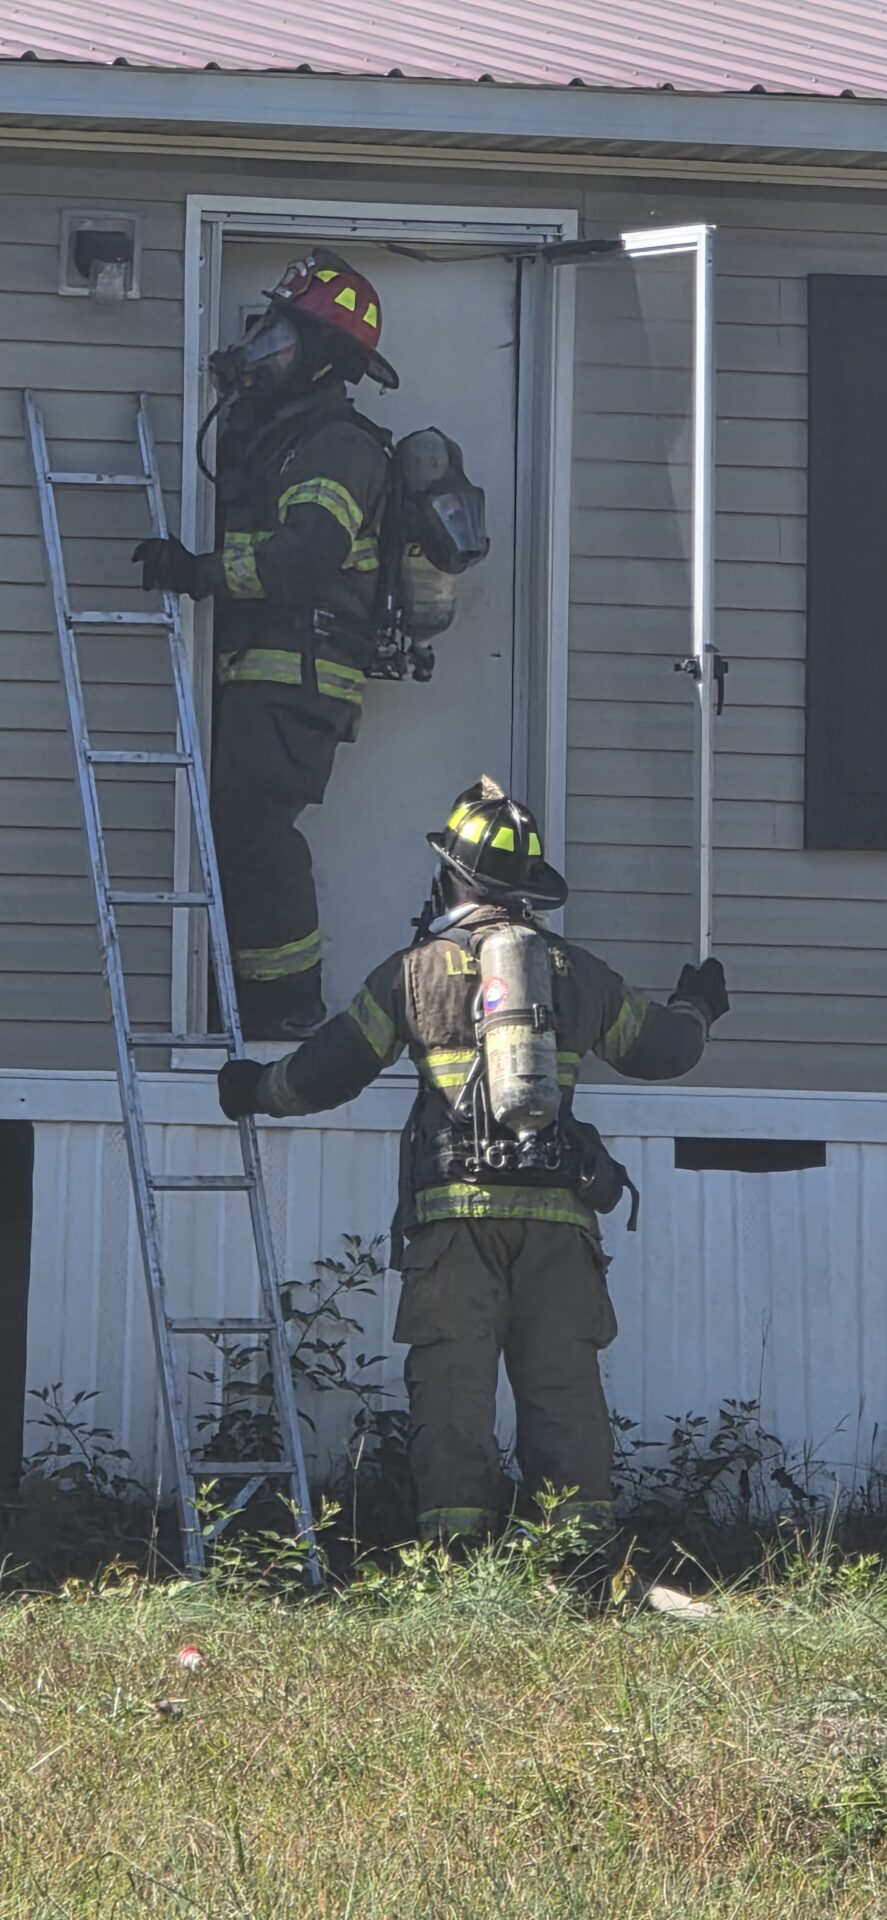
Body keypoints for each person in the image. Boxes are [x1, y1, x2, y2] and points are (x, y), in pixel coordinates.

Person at [217, 776, 729, 1548]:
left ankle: (455, 1561)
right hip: (559, 1221)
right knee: (563, 1393)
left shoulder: (414, 972)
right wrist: (698, 1004)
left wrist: (252, 1089)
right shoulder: (577, 973)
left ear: (452, 875)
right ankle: (576, 1561)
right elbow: (668, 1051)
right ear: (529, 888)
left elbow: (326, 1073)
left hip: (453, 1221)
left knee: (452, 1393)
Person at [133, 249, 399, 1040]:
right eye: (265, 329)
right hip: (264, 669)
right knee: (236, 830)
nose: (262, 347)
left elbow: (303, 556)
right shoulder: (283, 435)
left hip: (299, 672)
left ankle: (286, 1006)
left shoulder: (338, 445)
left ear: (322, 358)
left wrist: (198, 573)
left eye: (281, 335)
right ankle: (246, 995)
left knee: (255, 834)